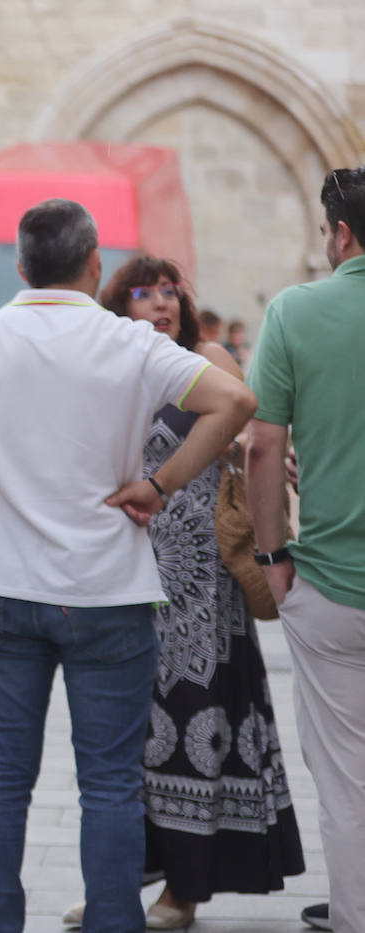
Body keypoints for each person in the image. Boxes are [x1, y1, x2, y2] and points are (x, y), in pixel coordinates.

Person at [0, 198, 257, 933]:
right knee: (108, 784)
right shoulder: (129, 342)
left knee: (0, 777)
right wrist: (159, 486)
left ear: (20, 266)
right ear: (95, 264)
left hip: (7, 583)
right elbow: (233, 399)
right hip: (110, 588)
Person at [79, 256, 302, 928]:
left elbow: (242, 427)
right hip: (126, 578)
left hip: (202, 593)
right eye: (144, 295)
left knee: (193, 730)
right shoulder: (114, 366)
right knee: (122, 741)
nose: (161, 304)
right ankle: (117, 887)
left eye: (169, 293)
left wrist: (243, 448)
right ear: (120, 307)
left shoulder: (204, 358)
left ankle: (184, 889)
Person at [246, 167, 365, 933]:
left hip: (331, 580)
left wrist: (271, 557)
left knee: (347, 779)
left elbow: (262, 445)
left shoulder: (296, 310)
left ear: (342, 233)